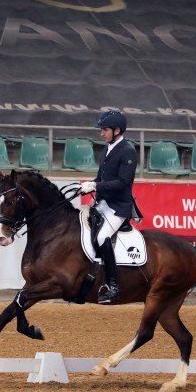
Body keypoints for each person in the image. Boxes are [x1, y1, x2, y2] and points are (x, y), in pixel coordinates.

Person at [80, 110, 137, 303]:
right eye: (102, 130)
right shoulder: (107, 148)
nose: (101, 133)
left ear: (117, 130)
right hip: (103, 203)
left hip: (119, 207)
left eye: (105, 130)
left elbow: (123, 183)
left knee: (103, 236)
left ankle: (113, 286)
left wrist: (95, 186)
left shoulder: (128, 151)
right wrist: (88, 186)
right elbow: (102, 178)